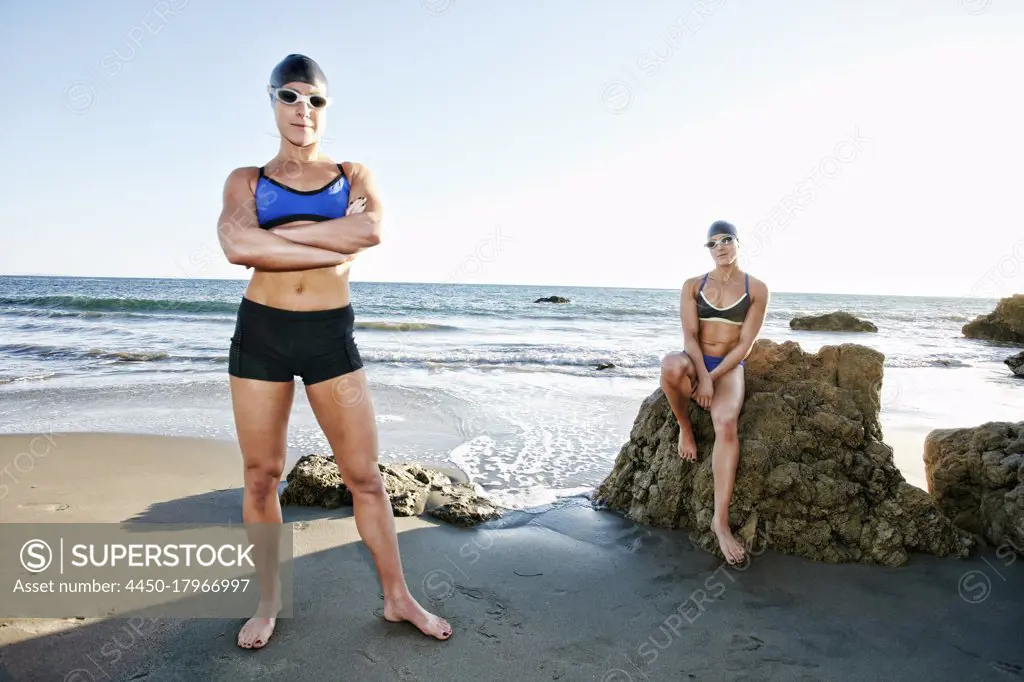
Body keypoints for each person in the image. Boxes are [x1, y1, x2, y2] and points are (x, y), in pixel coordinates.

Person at [216, 53, 453, 649]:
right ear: (272, 102)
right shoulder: (246, 180)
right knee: (261, 475)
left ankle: (399, 598)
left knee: (364, 477)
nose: (303, 110)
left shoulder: (353, 175)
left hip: (329, 337)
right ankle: (269, 601)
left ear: (327, 108)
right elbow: (234, 246)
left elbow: (371, 231)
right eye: (290, 97)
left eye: (315, 100)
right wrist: (327, 243)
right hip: (262, 333)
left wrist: (274, 241)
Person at [659, 220, 769, 565]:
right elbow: (690, 336)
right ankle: (685, 428)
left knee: (725, 425)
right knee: (669, 366)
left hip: (729, 367)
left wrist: (714, 377)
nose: (720, 247)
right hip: (696, 361)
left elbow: (745, 345)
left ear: (737, 243)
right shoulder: (693, 286)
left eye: (726, 240)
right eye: (712, 243)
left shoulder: (757, 289)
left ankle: (720, 523)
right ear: (708, 249)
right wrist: (702, 376)